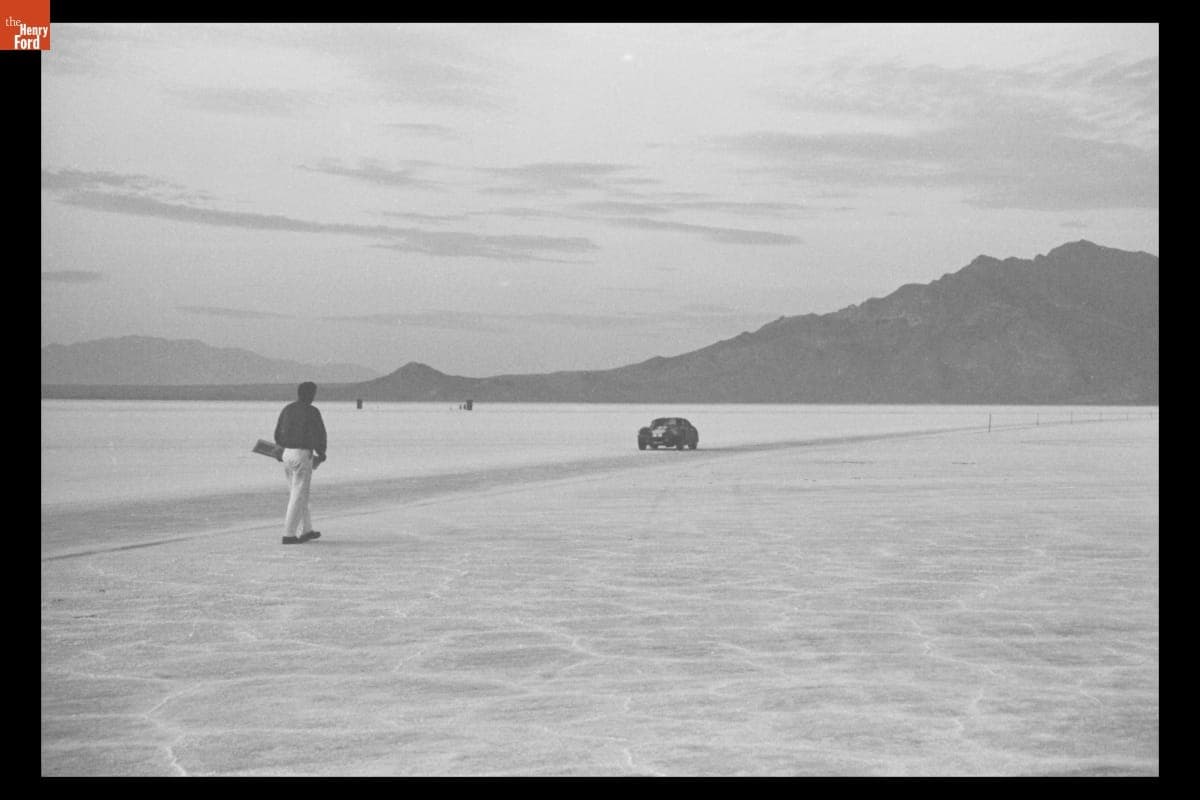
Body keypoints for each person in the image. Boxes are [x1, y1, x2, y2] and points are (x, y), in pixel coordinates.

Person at [273, 381, 328, 545]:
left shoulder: (287, 409)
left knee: (298, 493)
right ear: (310, 394)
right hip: (302, 454)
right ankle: (289, 534)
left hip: (287, 454)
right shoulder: (312, 411)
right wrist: (322, 453)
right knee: (298, 495)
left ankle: (306, 530)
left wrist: (280, 450)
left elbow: (277, 433)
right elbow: (319, 434)